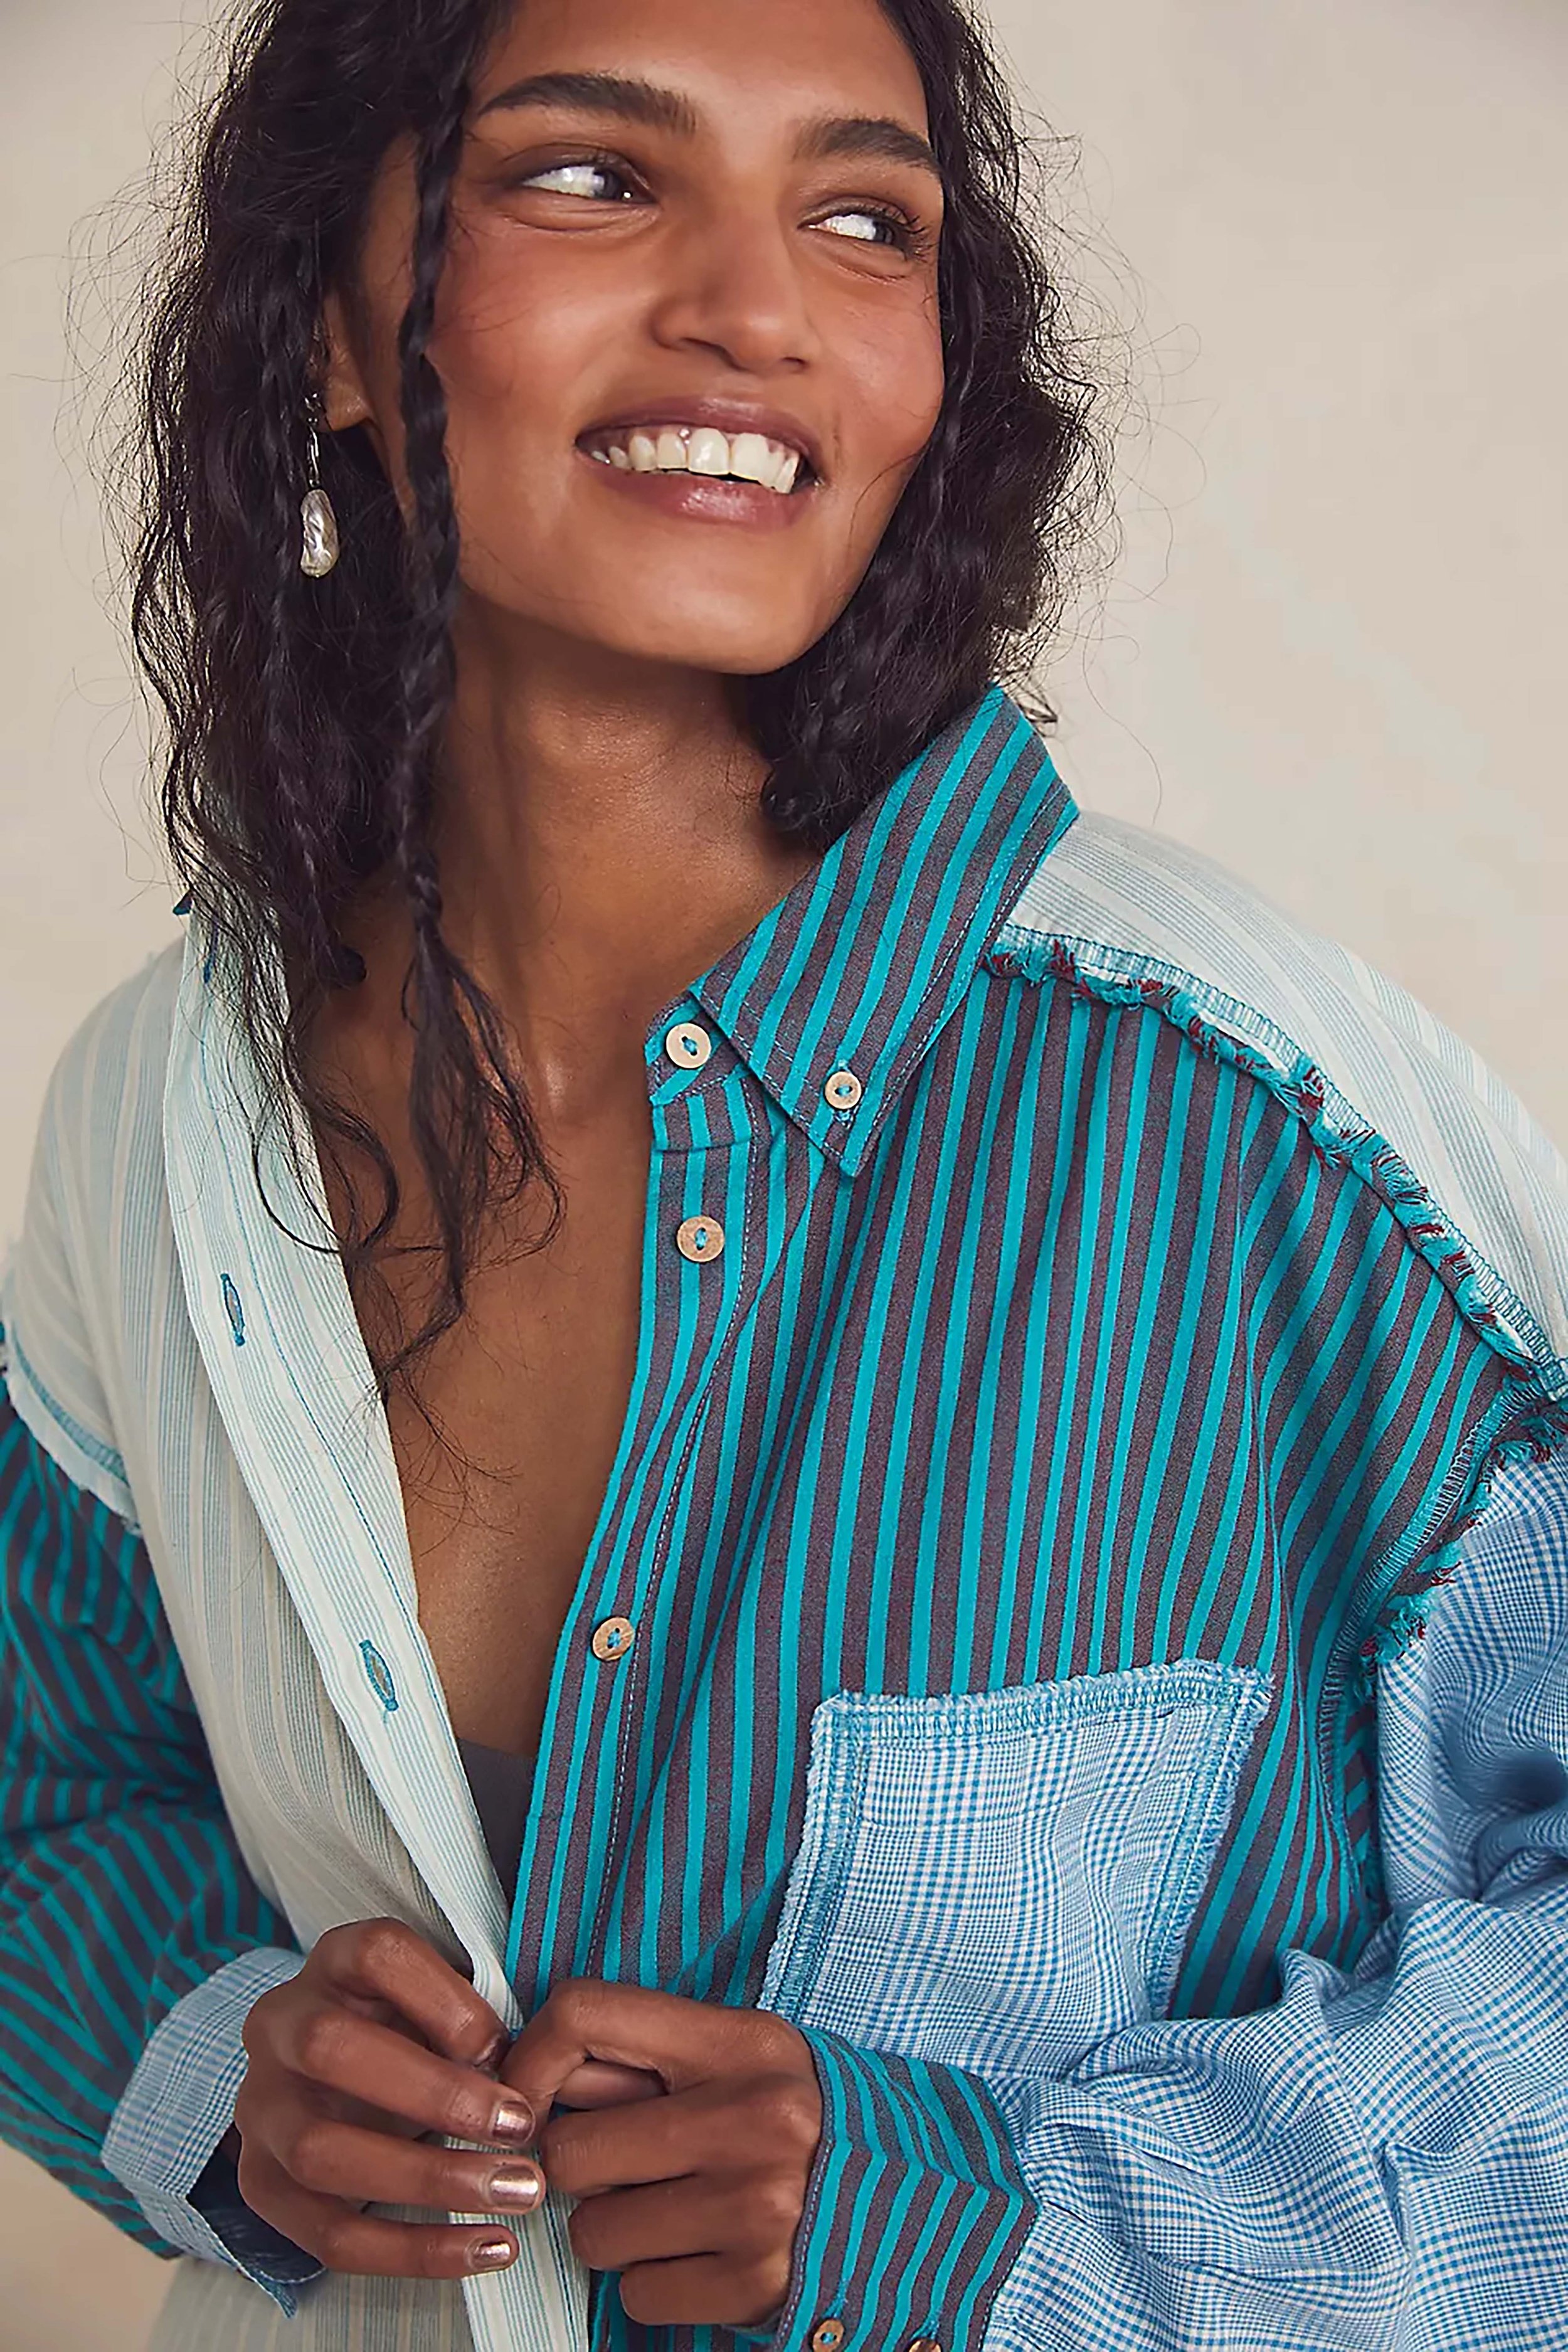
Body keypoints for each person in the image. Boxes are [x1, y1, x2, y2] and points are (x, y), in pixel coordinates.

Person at [3, 0, 1567, 2346]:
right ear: (328, 320)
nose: (757, 306)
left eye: (863, 219)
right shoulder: (158, 1115)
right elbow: (47, 1784)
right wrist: (217, 2068)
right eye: (588, 175)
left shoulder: (1263, 1128)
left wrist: (1004, 2220)